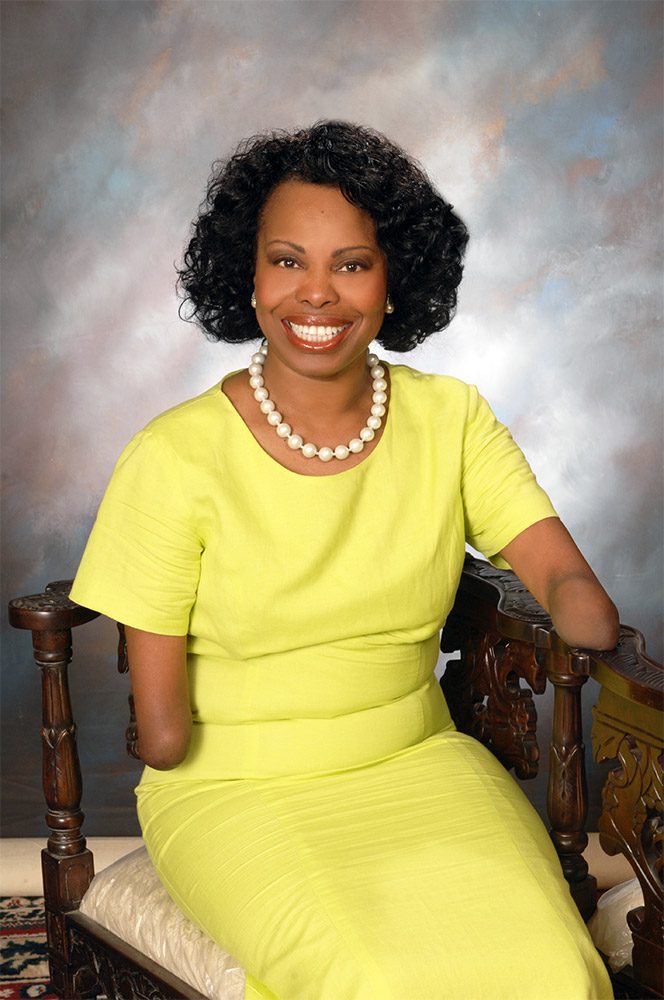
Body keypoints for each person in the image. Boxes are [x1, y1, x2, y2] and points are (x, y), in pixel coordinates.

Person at [70, 121, 618, 1000]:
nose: (316, 293)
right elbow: (167, 743)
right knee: (369, 979)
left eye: (352, 264)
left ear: (395, 279)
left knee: (549, 971)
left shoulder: (453, 420)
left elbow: (565, 582)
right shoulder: (172, 455)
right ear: (245, 278)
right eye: (287, 261)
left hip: (424, 765)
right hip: (236, 791)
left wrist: (582, 609)